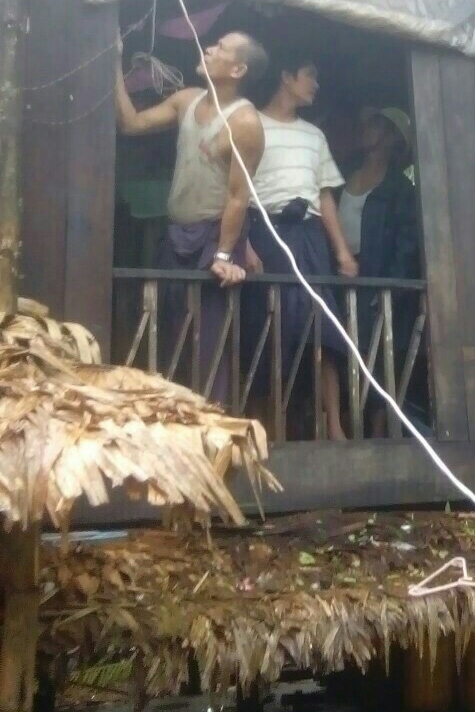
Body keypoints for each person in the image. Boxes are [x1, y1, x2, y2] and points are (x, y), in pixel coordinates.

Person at [115, 31, 267, 403]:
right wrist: (113, 62)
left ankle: (215, 421)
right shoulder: (186, 99)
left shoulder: (245, 122)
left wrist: (223, 254)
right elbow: (131, 124)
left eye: (220, 48)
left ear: (238, 69)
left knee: (209, 341)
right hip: (177, 233)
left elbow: (237, 196)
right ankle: (175, 414)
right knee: (171, 332)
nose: (208, 48)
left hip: (214, 236)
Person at [244, 54, 358, 442]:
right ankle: (268, 429)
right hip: (266, 233)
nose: (316, 84)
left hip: (309, 238)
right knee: (268, 330)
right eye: (310, 75)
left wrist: (341, 252)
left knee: (323, 329)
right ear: (286, 76)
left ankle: (334, 427)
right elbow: (235, 189)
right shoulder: (250, 124)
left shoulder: (314, 136)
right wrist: (244, 243)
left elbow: (324, 197)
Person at [340, 107, 420, 435]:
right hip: (338, 276)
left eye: (374, 124)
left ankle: (375, 434)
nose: (365, 128)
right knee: (337, 352)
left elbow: (406, 248)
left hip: (375, 284)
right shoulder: (342, 175)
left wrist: (388, 289)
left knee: (378, 361)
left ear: (390, 138)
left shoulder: (400, 190)